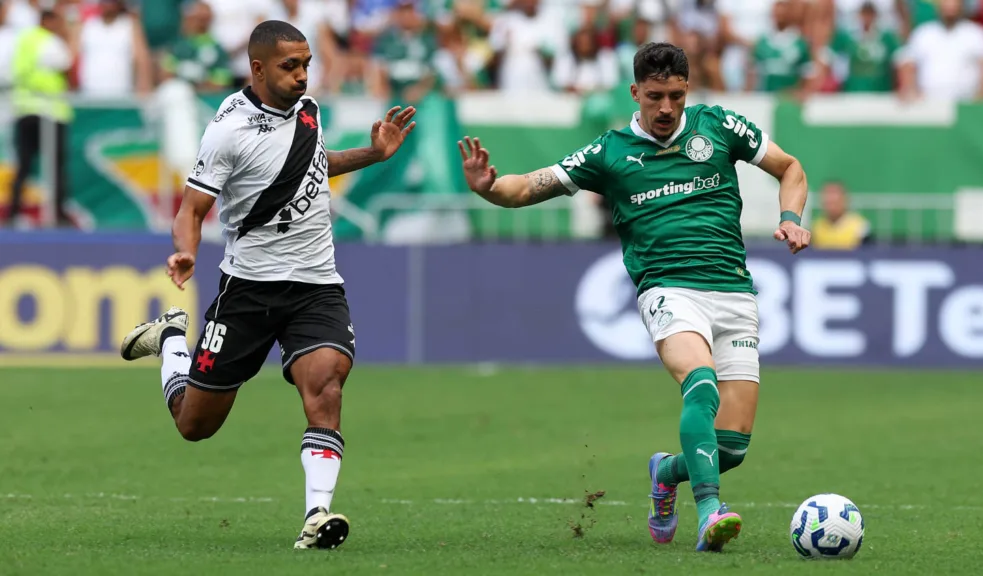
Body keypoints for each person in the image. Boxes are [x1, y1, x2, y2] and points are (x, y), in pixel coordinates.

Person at [457, 42, 810, 551]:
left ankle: (665, 473)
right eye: (654, 97)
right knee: (701, 384)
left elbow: (791, 169)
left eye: (675, 96)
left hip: (733, 289)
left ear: (687, 91)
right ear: (635, 93)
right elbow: (528, 187)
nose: (666, 109)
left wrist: (790, 219)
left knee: (731, 444)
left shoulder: (719, 127)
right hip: (668, 289)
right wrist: (488, 187)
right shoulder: (610, 152)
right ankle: (711, 509)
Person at [118, 20, 416, 550]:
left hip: (315, 285)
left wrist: (373, 153)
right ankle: (170, 339)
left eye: (306, 65)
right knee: (195, 425)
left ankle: (316, 515)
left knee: (326, 384)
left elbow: (312, 169)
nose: (303, 76)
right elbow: (191, 207)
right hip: (248, 291)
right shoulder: (227, 131)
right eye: (290, 67)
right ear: (257, 69)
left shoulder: (309, 110)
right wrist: (186, 248)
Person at [8, 9, 73, 227]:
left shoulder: (25, 40)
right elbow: (66, 63)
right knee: (55, 166)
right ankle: (57, 214)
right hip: (49, 111)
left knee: (24, 165)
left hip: (25, 109)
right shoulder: (49, 41)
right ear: (48, 21)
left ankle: (14, 211)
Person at [811, 181, 871, 250]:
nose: (831, 207)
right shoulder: (816, 227)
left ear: (844, 200)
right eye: (828, 203)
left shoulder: (860, 226)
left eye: (834, 203)